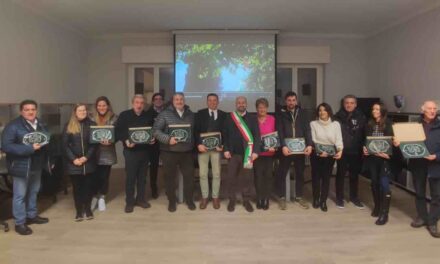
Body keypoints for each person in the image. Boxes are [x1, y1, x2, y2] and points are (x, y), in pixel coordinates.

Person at [1, 100, 50, 235]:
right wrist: (29, 148)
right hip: (20, 166)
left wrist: (48, 159)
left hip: (37, 164)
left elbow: (46, 140)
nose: (30, 112)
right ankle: (20, 223)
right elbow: (6, 146)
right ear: (21, 111)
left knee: (34, 192)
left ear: (36, 110)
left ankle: (31, 216)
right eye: (27, 109)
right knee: (20, 196)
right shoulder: (13, 126)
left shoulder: (41, 123)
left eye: (33, 109)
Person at [398, 100, 440, 238]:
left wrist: (436, 156)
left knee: (437, 196)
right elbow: (406, 142)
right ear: (423, 110)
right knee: (420, 193)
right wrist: (399, 142)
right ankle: (422, 217)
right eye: (429, 108)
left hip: (436, 166)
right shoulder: (414, 125)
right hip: (418, 165)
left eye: (435, 108)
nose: (432, 111)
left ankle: (432, 221)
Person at [153, 92, 196, 212]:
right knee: (170, 178)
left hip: (186, 152)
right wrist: (168, 139)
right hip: (169, 152)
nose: (179, 101)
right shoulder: (164, 114)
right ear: (173, 101)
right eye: (176, 99)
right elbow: (155, 131)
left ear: (184, 100)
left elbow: (193, 132)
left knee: (189, 177)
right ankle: (172, 201)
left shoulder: (190, 114)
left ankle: (189, 200)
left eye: (181, 99)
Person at [115, 95, 154, 213]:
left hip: (145, 151)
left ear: (144, 104)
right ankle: (129, 202)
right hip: (130, 152)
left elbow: (153, 130)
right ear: (133, 103)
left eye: (142, 103)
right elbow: (118, 131)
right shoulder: (124, 115)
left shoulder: (148, 115)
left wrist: (152, 138)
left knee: (142, 178)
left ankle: (141, 199)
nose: (139, 105)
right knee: (130, 178)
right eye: (137, 102)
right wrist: (126, 140)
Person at [223, 96, 261, 213]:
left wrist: (255, 151)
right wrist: (226, 149)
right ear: (236, 104)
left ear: (246, 104)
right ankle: (232, 200)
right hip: (233, 154)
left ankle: (246, 200)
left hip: (248, 154)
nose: (241, 104)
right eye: (239, 102)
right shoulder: (230, 117)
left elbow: (257, 136)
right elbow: (226, 135)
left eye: (243, 102)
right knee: (231, 178)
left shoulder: (253, 118)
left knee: (247, 179)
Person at [276, 91, 313, 210]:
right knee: (281, 173)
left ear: (296, 101)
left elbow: (307, 129)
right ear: (285, 101)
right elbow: (279, 131)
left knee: (300, 173)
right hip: (286, 149)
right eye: (289, 100)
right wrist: (283, 146)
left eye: (293, 100)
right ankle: (281, 197)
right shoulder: (281, 114)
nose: (291, 102)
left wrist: (309, 145)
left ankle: (299, 196)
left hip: (300, 149)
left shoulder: (303, 113)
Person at [62, 104, 97, 222]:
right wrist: (73, 159)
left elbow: (94, 144)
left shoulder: (92, 125)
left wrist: (86, 157)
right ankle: (78, 211)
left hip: (88, 162)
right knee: (77, 188)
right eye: (80, 110)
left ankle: (88, 209)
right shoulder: (68, 126)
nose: (82, 112)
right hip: (74, 163)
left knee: (88, 187)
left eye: (84, 110)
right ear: (75, 112)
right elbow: (65, 145)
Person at [362, 102, 394, 225]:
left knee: (384, 184)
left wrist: (389, 154)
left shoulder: (390, 124)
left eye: (377, 109)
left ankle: (384, 214)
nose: (374, 111)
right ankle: (377, 207)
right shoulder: (369, 124)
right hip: (372, 158)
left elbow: (394, 143)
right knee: (374, 182)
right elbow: (365, 140)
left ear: (382, 111)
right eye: (373, 109)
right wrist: (364, 148)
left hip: (385, 159)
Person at [194, 93, 226, 209]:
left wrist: (222, 145)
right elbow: (195, 131)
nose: (212, 102)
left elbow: (225, 132)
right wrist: (198, 144)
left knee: (217, 174)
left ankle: (215, 197)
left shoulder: (223, 115)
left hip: (216, 149)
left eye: (214, 100)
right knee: (203, 174)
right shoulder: (200, 113)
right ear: (207, 102)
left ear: (218, 102)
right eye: (210, 100)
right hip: (203, 148)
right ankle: (204, 197)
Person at [334, 95, 366, 209]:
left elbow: (364, 134)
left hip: (356, 150)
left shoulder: (362, 117)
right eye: (347, 102)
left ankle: (354, 197)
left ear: (355, 104)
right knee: (340, 175)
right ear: (343, 104)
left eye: (352, 103)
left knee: (354, 175)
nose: (349, 105)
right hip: (342, 150)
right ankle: (339, 198)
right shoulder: (337, 117)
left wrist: (364, 147)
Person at [310, 103, 343, 212]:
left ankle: (323, 201)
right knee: (315, 178)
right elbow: (313, 140)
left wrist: (340, 150)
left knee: (326, 179)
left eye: (324, 110)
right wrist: (319, 151)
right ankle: (316, 199)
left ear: (329, 111)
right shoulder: (313, 124)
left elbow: (338, 139)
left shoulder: (336, 124)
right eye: (320, 110)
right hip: (316, 154)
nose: (322, 112)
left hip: (330, 155)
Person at [90, 96, 118, 212]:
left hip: (107, 152)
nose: (101, 107)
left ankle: (102, 197)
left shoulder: (114, 118)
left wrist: (111, 140)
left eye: (104, 105)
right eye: (99, 105)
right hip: (92, 152)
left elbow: (118, 133)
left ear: (108, 106)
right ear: (96, 107)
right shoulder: (90, 117)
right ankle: (94, 197)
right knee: (93, 176)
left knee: (104, 176)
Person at [254, 98, 276, 210]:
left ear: (267, 108)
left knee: (268, 177)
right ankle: (259, 198)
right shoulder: (253, 120)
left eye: (264, 107)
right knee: (258, 177)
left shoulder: (272, 119)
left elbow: (277, 135)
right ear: (257, 109)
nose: (262, 109)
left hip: (269, 154)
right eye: (259, 107)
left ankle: (266, 199)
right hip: (257, 154)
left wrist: (275, 147)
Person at [145, 92, 164, 199]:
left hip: (165, 143)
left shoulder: (167, 112)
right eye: (156, 99)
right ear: (153, 101)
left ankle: (169, 188)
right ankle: (154, 188)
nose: (158, 100)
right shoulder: (147, 113)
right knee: (154, 167)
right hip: (153, 144)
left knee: (168, 166)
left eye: (160, 98)